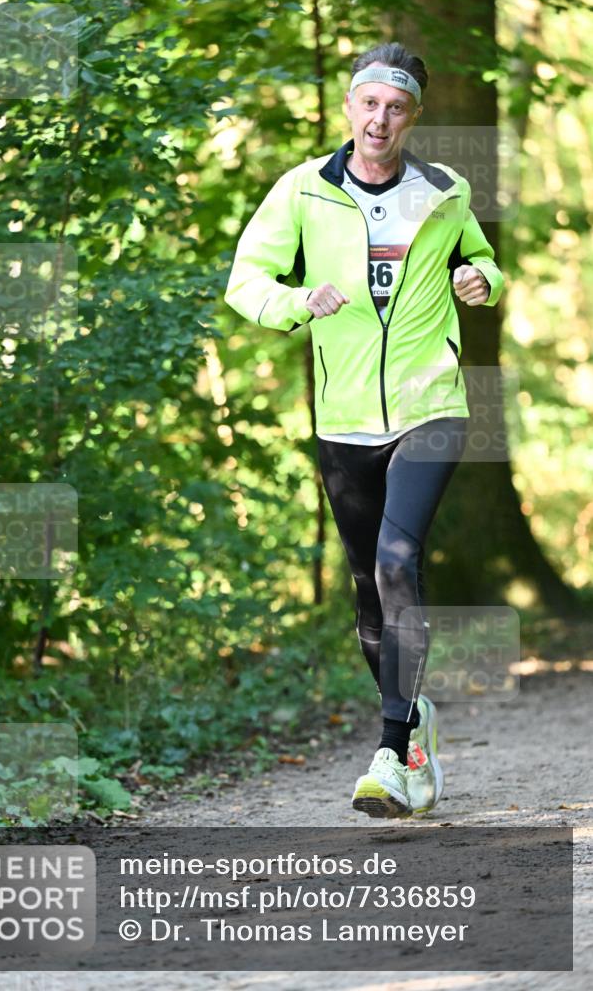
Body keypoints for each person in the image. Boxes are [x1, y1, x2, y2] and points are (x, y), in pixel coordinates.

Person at [223, 42, 504, 818]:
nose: (380, 118)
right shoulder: (302, 191)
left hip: (429, 402)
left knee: (394, 559)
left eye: (396, 106)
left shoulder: (443, 190)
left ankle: (389, 751)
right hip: (344, 416)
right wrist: (295, 302)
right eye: (368, 103)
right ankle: (413, 728)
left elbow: (480, 260)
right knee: (368, 596)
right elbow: (246, 281)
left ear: (412, 116)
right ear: (350, 108)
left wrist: (482, 280)